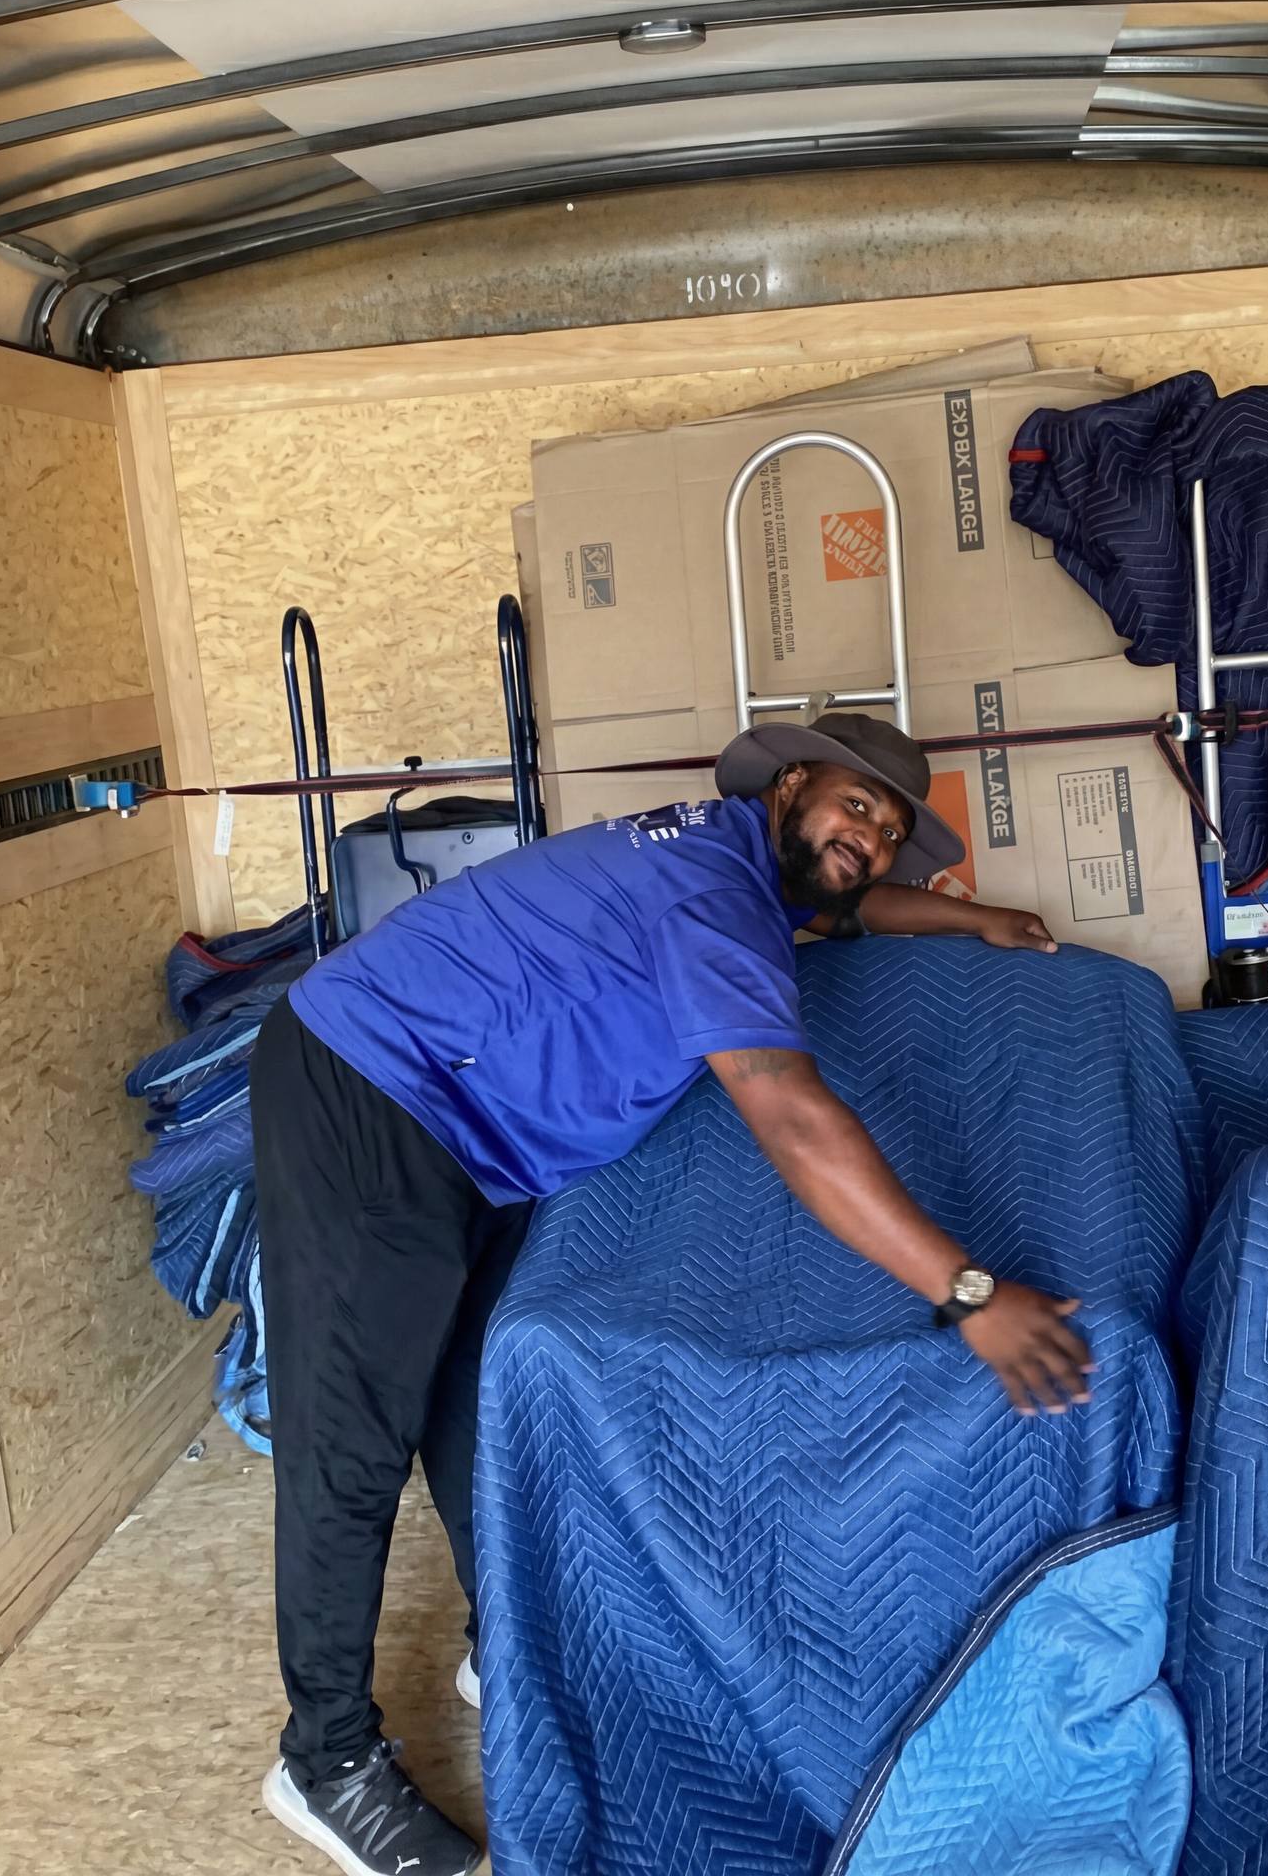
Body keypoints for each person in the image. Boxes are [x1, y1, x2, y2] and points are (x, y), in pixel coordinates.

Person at [251, 712, 1094, 1876]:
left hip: (468, 1132)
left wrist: (973, 916)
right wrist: (966, 1292)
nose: (870, 839)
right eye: (857, 807)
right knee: (352, 1439)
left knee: (475, 1398)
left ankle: (507, 1648)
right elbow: (792, 1116)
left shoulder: (747, 869)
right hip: (371, 1081)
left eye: (889, 831)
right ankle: (325, 1760)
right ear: (794, 782)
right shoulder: (711, 886)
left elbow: (839, 910)